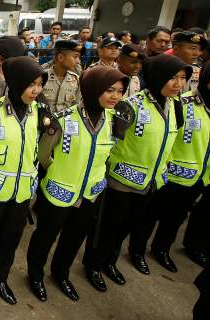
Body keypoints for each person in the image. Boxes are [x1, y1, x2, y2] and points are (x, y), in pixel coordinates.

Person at [27, 67, 129, 301]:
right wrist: (58, 172)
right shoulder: (62, 120)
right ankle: (35, 275)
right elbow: (43, 154)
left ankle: (61, 274)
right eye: (109, 90)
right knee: (45, 236)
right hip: (59, 191)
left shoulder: (114, 121)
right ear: (93, 90)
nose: (115, 96)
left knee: (74, 238)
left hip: (90, 194)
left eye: (120, 91)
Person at [96, 54, 189, 284]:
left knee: (127, 228)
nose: (179, 84)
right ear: (158, 77)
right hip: (121, 182)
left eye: (182, 78)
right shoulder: (130, 106)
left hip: (150, 183)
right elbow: (111, 144)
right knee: (108, 228)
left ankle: (110, 261)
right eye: (173, 78)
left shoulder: (176, 106)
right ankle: (95, 265)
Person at [0, 57, 49, 305]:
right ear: (15, 83)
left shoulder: (40, 113)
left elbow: (40, 148)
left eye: (39, 84)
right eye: (30, 84)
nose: (35, 90)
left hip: (21, 192)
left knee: (11, 238)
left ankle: (0, 277)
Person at [142, 61, 209, 274]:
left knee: (176, 218)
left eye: (183, 79)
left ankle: (162, 249)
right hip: (171, 174)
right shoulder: (184, 104)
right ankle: (138, 249)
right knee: (152, 214)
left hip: (201, 176)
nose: (179, 84)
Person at [42, 40, 83, 112]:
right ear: (60, 57)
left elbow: (76, 107)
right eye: (75, 57)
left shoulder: (76, 79)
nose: (78, 61)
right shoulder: (42, 77)